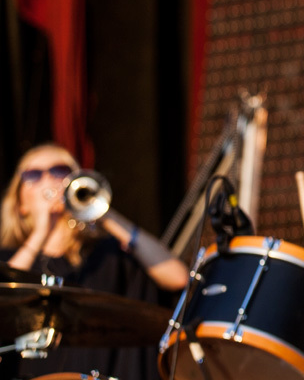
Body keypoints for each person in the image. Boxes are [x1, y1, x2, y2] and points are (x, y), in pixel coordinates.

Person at [0, 143, 190, 379]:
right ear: (21, 204)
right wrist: (40, 231)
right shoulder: (8, 259)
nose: (49, 180)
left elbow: (178, 277)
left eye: (59, 171)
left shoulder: (109, 255)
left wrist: (102, 211)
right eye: (34, 175)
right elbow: (5, 294)